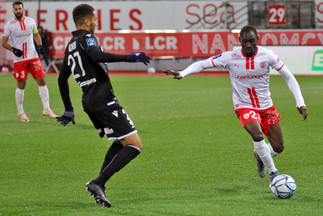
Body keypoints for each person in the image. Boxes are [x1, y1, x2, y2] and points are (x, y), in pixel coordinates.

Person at [164, 25, 307, 183]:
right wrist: (183, 73)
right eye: (244, 41)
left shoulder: (268, 55)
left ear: (257, 40)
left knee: (279, 146)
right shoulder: (230, 57)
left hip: (266, 107)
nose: (248, 45)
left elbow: (288, 76)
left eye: (251, 41)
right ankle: (274, 173)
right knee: (257, 134)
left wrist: (300, 102)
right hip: (244, 105)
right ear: (239, 41)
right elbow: (203, 64)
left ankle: (261, 156)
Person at [57, 4, 150, 207]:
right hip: (103, 100)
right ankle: (98, 182)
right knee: (135, 145)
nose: (97, 23)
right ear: (87, 21)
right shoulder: (87, 38)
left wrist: (68, 108)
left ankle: (100, 185)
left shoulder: (70, 45)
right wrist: (129, 57)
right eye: (95, 19)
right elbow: (97, 56)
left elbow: (61, 79)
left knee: (120, 141)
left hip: (89, 101)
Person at [2, 1, 57, 122]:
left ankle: (47, 109)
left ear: (23, 9)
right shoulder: (9, 25)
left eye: (19, 9)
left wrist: (40, 46)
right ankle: (20, 112)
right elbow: (4, 42)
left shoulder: (31, 21)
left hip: (33, 56)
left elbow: (36, 35)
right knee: (21, 84)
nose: (18, 11)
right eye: (15, 9)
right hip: (19, 60)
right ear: (13, 11)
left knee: (42, 80)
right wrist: (13, 49)